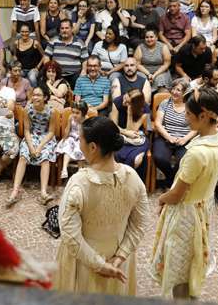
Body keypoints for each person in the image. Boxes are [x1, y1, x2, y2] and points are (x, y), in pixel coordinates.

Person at [54, 116, 149, 295]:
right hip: (118, 261)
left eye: (80, 139)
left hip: (83, 260)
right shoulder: (133, 177)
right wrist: (120, 256)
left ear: (92, 147)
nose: (78, 143)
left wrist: (99, 265)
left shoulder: (79, 182)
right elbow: (141, 223)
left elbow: (69, 233)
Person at [151, 88, 218, 299]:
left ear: (203, 116)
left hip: (187, 213)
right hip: (204, 205)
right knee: (192, 259)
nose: (185, 118)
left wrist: (161, 198)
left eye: (188, 114)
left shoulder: (197, 153)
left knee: (179, 264)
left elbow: (176, 194)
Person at [7, 86, 58, 206]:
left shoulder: (52, 111)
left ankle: (44, 193)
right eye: (34, 95)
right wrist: (30, 146)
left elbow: (51, 132)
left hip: (45, 138)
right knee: (23, 156)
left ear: (45, 97)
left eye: (38, 95)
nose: (35, 97)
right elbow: (26, 130)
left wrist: (39, 147)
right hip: (31, 136)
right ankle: (14, 192)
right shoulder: (27, 109)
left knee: (45, 158)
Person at [152, 79, 194, 188]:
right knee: (159, 157)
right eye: (173, 89)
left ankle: (171, 182)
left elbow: (196, 128)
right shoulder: (165, 103)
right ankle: (172, 180)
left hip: (184, 140)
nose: (174, 92)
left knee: (184, 161)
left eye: (178, 90)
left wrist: (185, 139)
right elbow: (157, 123)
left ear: (185, 92)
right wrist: (169, 137)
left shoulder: (191, 106)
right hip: (166, 137)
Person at [111, 88, 150, 175]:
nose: (124, 101)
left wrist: (129, 112)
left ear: (135, 104)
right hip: (120, 134)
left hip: (138, 138)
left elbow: (132, 130)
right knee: (115, 154)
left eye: (128, 102)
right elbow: (113, 126)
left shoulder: (145, 109)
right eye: (125, 97)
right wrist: (124, 132)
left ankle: (131, 180)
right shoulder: (117, 101)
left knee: (137, 160)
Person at [45, 19, 88, 88]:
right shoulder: (53, 41)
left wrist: (84, 71)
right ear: (59, 30)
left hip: (74, 75)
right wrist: (49, 71)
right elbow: (46, 57)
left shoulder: (79, 42)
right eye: (62, 28)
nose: (64, 30)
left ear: (71, 29)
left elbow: (85, 60)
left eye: (67, 28)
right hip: (57, 75)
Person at [56, 100, 88, 179]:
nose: (74, 115)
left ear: (83, 113)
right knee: (67, 146)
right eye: (73, 112)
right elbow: (67, 129)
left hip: (81, 138)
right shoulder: (71, 118)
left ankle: (80, 169)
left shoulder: (86, 120)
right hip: (71, 137)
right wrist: (64, 139)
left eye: (77, 113)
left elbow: (86, 133)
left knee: (79, 149)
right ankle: (64, 169)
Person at [134, 27, 172, 91]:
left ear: (156, 38)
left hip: (161, 72)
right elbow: (137, 64)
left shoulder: (163, 47)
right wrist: (148, 74)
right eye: (147, 37)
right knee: (140, 77)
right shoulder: (140, 47)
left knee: (160, 79)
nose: (149, 39)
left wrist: (155, 75)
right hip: (144, 71)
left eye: (151, 37)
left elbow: (166, 64)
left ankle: (160, 99)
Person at [11, 23, 45, 87]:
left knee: (32, 78)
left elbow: (44, 56)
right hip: (20, 69)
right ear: (19, 32)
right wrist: (15, 62)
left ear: (29, 32)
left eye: (26, 32)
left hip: (32, 69)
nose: (24, 34)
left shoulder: (35, 43)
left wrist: (37, 67)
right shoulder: (16, 43)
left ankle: (35, 93)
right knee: (14, 76)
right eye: (22, 32)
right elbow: (14, 55)